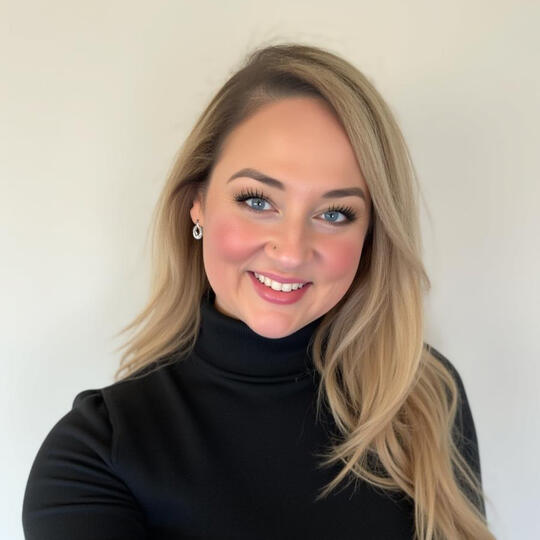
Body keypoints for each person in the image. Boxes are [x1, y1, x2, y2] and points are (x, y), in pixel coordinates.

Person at [22, 44, 495, 539]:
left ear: (371, 235)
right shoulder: (94, 457)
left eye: (335, 213)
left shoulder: (422, 397)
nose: (290, 251)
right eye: (257, 201)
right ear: (198, 202)